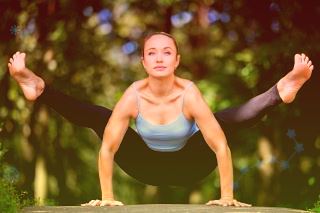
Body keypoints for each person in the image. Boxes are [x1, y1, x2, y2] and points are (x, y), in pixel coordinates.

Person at [8, 32, 314, 207]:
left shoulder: (190, 93)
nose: (158, 57)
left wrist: (227, 197)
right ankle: (40, 89)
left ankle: (279, 92)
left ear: (177, 60)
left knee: (222, 121)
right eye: (151, 53)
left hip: (191, 165)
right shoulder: (133, 94)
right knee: (102, 116)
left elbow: (219, 145)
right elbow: (109, 148)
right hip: (143, 164)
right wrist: (107, 198)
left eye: (166, 52)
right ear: (143, 62)